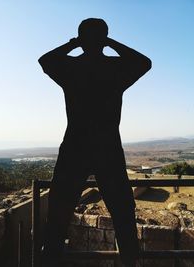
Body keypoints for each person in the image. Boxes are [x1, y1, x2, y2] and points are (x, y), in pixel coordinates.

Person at [38, 18, 151, 267]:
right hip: (107, 146)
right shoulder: (115, 69)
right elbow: (144, 63)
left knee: (59, 211)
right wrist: (110, 43)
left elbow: (45, 60)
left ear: (80, 38)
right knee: (122, 210)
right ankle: (130, 260)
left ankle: (49, 259)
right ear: (104, 38)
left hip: (75, 145)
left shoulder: (70, 68)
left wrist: (74, 45)